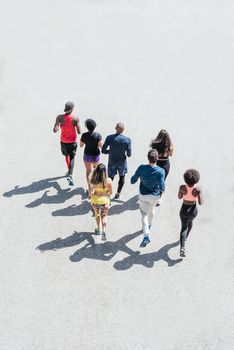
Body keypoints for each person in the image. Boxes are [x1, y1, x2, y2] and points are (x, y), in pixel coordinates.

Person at [131, 149, 165, 247]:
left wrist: (135, 178)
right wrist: (161, 191)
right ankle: (149, 225)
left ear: (148, 158)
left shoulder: (141, 168)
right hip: (155, 196)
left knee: (144, 214)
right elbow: (162, 187)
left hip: (144, 195)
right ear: (157, 158)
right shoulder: (161, 171)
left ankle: (146, 236)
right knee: (152, 209)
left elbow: (133, 180)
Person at [53, 102, 81, 186]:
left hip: (64, 141)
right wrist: (76, 124)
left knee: (66, 156)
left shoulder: (59, 117)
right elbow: (79, 132)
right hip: (72, 142)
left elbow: (55, 129)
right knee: (72, 157)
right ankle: (70, 174)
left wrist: (57, 127)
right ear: (72, 109)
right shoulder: (75, 118)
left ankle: (69, 170)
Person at [178, 169, 204, 257]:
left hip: (184, 209)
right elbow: (201, 203)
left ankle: (182, 248)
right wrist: (199, 193)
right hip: (193, 211)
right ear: (196, 179)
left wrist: (183, 193)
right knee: (190, 222)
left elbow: (179, 197)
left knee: (183, 227)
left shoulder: (182, 187)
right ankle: (186, 236)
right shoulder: (197, 189)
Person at [102, 122, 132, 199]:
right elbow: (129, 154)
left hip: (112, 162)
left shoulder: (109, 138)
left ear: (115, 128)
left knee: (110, 178)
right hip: (122, 162)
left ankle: (107, 193)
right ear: (123, 130)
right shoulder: (127, 140)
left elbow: (103, 150)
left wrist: (110, 151)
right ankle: (118, 193)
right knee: (122, 177)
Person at [150, 129, 173, 205]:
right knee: (162, 181)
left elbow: (152, 153)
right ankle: (159, 197)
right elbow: (171, 155)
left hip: (156, 164)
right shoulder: (169, 145)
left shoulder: (154, 144)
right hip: (165, 165)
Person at [80, 119, 103, 197]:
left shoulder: (84, 135)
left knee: (88, 171)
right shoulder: (98, 135)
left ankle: (90, 189)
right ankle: (96, 189)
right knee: (96, 172)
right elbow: (101, 146)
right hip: (95, 156)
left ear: (87, 127)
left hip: (87, 156)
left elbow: (81, 145)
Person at [90, 163, 112, 241]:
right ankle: (104, 231)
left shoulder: (93, 180)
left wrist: (92, 195)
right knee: (104, 216)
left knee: (97, 214)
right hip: (105, 201)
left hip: (95, 200)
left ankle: (98, 229)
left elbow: (91, 192)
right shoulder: (108, 181)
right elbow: (111, 192)